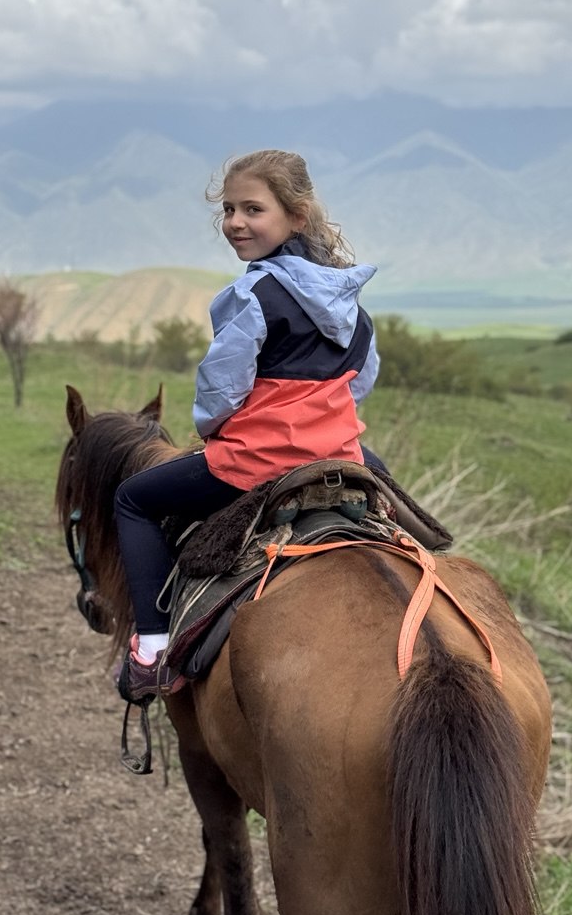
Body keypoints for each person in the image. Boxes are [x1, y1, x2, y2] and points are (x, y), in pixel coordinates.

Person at [115, 148, 383, 700]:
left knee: (133, 501)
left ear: (296, 217)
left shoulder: (253, 295)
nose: (236, 222)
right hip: (336, 455)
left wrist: (212, 428)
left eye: (253, 209)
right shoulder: (351, 303)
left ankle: (153, 649)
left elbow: (221, 387)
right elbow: (361, 381)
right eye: (229, 210)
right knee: (387, 496)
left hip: (257, 461)